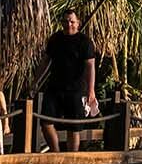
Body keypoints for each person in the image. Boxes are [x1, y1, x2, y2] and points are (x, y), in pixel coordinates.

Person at [40, 9, 99, 152]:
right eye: (66, 21)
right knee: (46, 122)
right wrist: (35, 83)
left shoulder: (85, 42)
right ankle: (56, 156)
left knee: (73, 127)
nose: (69, 24)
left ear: (77, 23)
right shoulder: (55, 39)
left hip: (76, 89)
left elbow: (90, 67)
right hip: (55, 87)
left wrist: (91, 91)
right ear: (61, 23)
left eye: (72, 21)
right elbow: (45, 62)